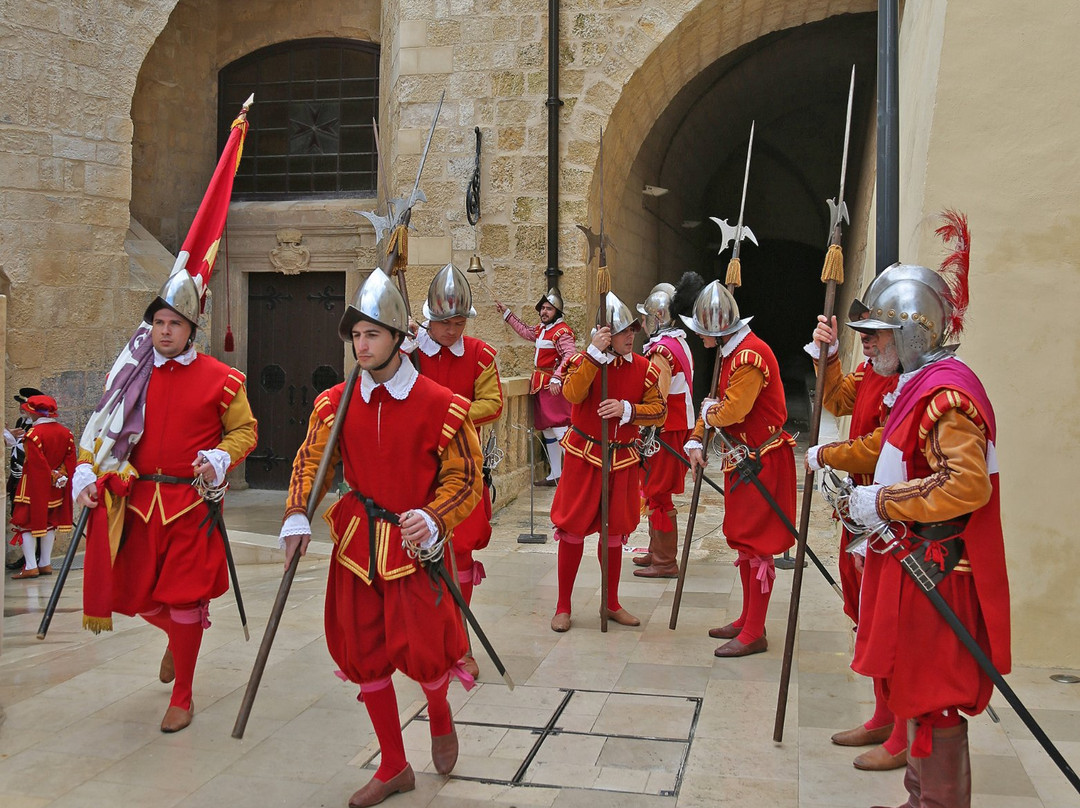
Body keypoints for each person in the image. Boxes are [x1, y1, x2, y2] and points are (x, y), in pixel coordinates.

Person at [807, 253, 1007, 808]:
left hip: (938, 570)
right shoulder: (915, 385)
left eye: (877, 335)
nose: (866, 345)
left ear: (913, 333)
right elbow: (881, 441)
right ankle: (918, 800)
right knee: (914, 689)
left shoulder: (949, 396)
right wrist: (850, 473)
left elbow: (967, 486)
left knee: (936, 696)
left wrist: (883, 499)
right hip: (914, 563)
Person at [280, 268, 483, 808]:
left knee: (425, 652)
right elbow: (313, 463)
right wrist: (297, 512)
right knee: (362, 650)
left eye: (371, 334)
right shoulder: (335, 402)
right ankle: (394, 765)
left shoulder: (441, 404)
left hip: (416, 546)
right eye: (355, 336)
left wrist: (436, 518)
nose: (361, 345)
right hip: (357, 545)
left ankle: (438, 712)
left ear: (396, 337)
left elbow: (465, 476)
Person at [73, 270, 258, 733]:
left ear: (192, 328)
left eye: (175, 323)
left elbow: (245, 431)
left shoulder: (223, 379)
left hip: (191, 506)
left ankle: (183, 697)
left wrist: (220, 456)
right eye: (158, 322)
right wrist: (84, 471)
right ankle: (180, 639)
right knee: (132, 595)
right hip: (134, 501)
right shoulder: (129, 378)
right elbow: (100, 431)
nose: (165, 331)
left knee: (185, 601)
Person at [805, 290, 907, 772]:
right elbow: (839, 399)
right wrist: (827, 356)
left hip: (896, 514)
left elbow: (876, 446)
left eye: (873, 335)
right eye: (860, 335)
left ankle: (904, 732)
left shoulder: (911, 383)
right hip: (864, 511)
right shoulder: (873, 370)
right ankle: (884, 716)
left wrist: (826, 454)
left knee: (894, 625)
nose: (865, 342)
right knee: (867, 616)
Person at [683, 281, 796, 658]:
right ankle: (750, 619)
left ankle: (754, 631)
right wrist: (697, 437)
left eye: (702, 331)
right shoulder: (730, 354)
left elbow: (732, 410)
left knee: (758, 545)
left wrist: (706, 415)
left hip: (761, 460)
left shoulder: (749, 356)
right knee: (745, 541)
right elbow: (715, 402)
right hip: (743, 458)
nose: (698, 336)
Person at [405, 263, 504, 677]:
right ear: (430, 318)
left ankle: (459, 642)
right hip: (415, 469)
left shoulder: (479, 354)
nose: (452, 331)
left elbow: (493, 402)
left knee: (460, 554)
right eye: (445, 323)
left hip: (462, 469)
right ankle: (420, 639)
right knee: (412, 557)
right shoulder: (407, 352)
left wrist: (448, 412)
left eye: (459, 323)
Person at [548, 291, 666, 632]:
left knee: (614, 533)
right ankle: (563, 606)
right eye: (623, 331)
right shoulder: (581, 361)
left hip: (623, 459)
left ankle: (611, 603)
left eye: (633, 330)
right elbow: (572, 395)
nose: (630, 336)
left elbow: (660, 410)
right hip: (583, 457)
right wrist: (594, 356)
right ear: (605, 334)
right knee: (571, 530)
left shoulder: (643, 368)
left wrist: (628, 411)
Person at [632, 273, 704, 578]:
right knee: (654, 491)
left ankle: (664, 561)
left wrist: (638, 424)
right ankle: (655, 551)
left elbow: (656, 398)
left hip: (665, 431)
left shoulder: (661, 351)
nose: (644, 323)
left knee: (657, 492)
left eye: (648, 317)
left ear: (657, 318)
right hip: (675, 429)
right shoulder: (680, 344)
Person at [495, 288, 575, 485]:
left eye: (549, 308)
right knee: (548, 430)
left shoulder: (562, 331)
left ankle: (575, 474)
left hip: (554, 386)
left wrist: (557, 377)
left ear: (557, 311)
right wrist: (507, 313)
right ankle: (556, 474)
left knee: (560, 428)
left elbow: (570, 355)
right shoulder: (542, 329)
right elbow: (524, 330)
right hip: (541, 385)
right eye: (543, 308)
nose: (544, 312)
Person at [9, 394, 76, 579]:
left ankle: (31, 565)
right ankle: (45, 563)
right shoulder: (66, 433)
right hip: (56, 487)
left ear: (35, 414)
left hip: (33, 486)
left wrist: (51, 475)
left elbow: (36, 464)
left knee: (25, 523)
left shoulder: (33, 434)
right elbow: (70, 460)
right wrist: (59, 475)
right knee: (49, 523)